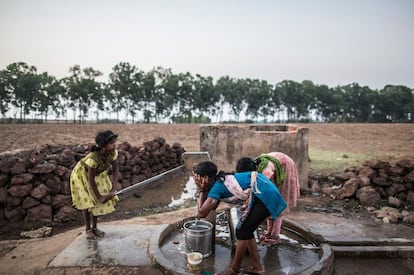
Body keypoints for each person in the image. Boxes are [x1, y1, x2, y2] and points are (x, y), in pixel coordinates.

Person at [193, 160, 286, 275]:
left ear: (205, 178)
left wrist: (201, 190)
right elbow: (212, 207)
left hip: (265, 194)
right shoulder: (218, 183)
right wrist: (203, 189)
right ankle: (257, 267)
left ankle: (235, 269)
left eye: (196, 177)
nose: (195, 180)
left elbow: (201, 213)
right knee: (247, 230)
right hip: (262, 190)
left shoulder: (217, 186)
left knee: (242, 231)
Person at [238, 152, 300, 245]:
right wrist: (247, 205)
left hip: (286, 167)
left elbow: (259, 193)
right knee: (266, 204)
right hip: (276, 163)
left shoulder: (264, 173)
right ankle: (268, 232)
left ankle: (274, 236)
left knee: (276, 202)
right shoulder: (253, 167)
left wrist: (248, 210)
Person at [70, 130, 120, 240]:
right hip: (82, 175)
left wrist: (113, 189)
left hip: (98, 173)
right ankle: (88, 229)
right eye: (111, 143)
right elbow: (91, 179)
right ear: (103, 146)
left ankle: (95, 228)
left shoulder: (113, 153)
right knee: (88, 202)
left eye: (114, 142)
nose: (114, 145)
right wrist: (100, 197)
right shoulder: (92, 159)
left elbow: (116, 171)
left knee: (97, 202)